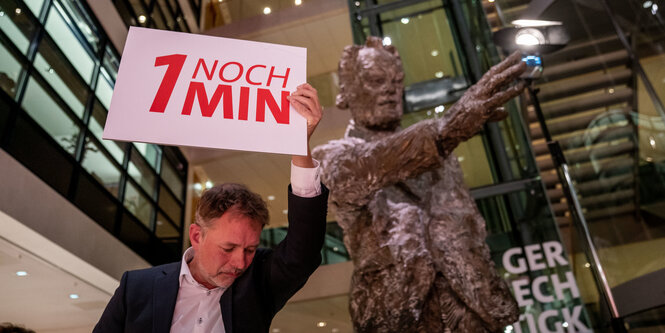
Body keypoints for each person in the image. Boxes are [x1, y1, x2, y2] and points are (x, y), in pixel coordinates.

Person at [312, 37, 525, 331]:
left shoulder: (444, 156)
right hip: (399, 314)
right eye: (376, 80)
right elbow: (372, 163)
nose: (390, 89)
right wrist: (446, 130)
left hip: (474, 309)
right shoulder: (333, 156)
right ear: (346, 92)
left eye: (397, 81)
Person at [94, 83, 327, 332]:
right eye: (228, 247)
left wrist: (299, 142)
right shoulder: (137, 287)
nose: (240, 262)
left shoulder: (257, 282)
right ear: (196, 235)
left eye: (250, 249)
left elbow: (303, 252)